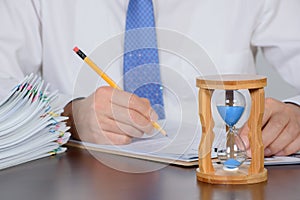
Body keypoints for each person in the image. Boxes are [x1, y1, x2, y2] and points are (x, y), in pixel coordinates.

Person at [0, 0, 300, 157]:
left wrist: (296, 115)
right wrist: (70, 115)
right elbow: (3, 86)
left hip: (224, 179)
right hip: (86, 179)